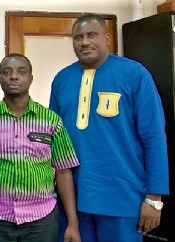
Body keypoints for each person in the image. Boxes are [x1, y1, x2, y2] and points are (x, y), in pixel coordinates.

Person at [49, 14, 169, 241]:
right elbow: (53, 140)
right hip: (72, 202)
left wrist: (154, 198)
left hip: (123, 198)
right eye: (78, 37)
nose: (84, 42)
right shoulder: (62, 79)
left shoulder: (135, 75)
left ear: (107, 38)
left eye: (91, 35)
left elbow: (154, 138)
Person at [0, 53, 80, 242]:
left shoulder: (51, 121)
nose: (14, 76)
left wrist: (73, 224)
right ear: (0, 79)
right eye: (7, 72)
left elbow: (64, 172)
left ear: (30, 78)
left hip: (41, 220)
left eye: (21, 72)